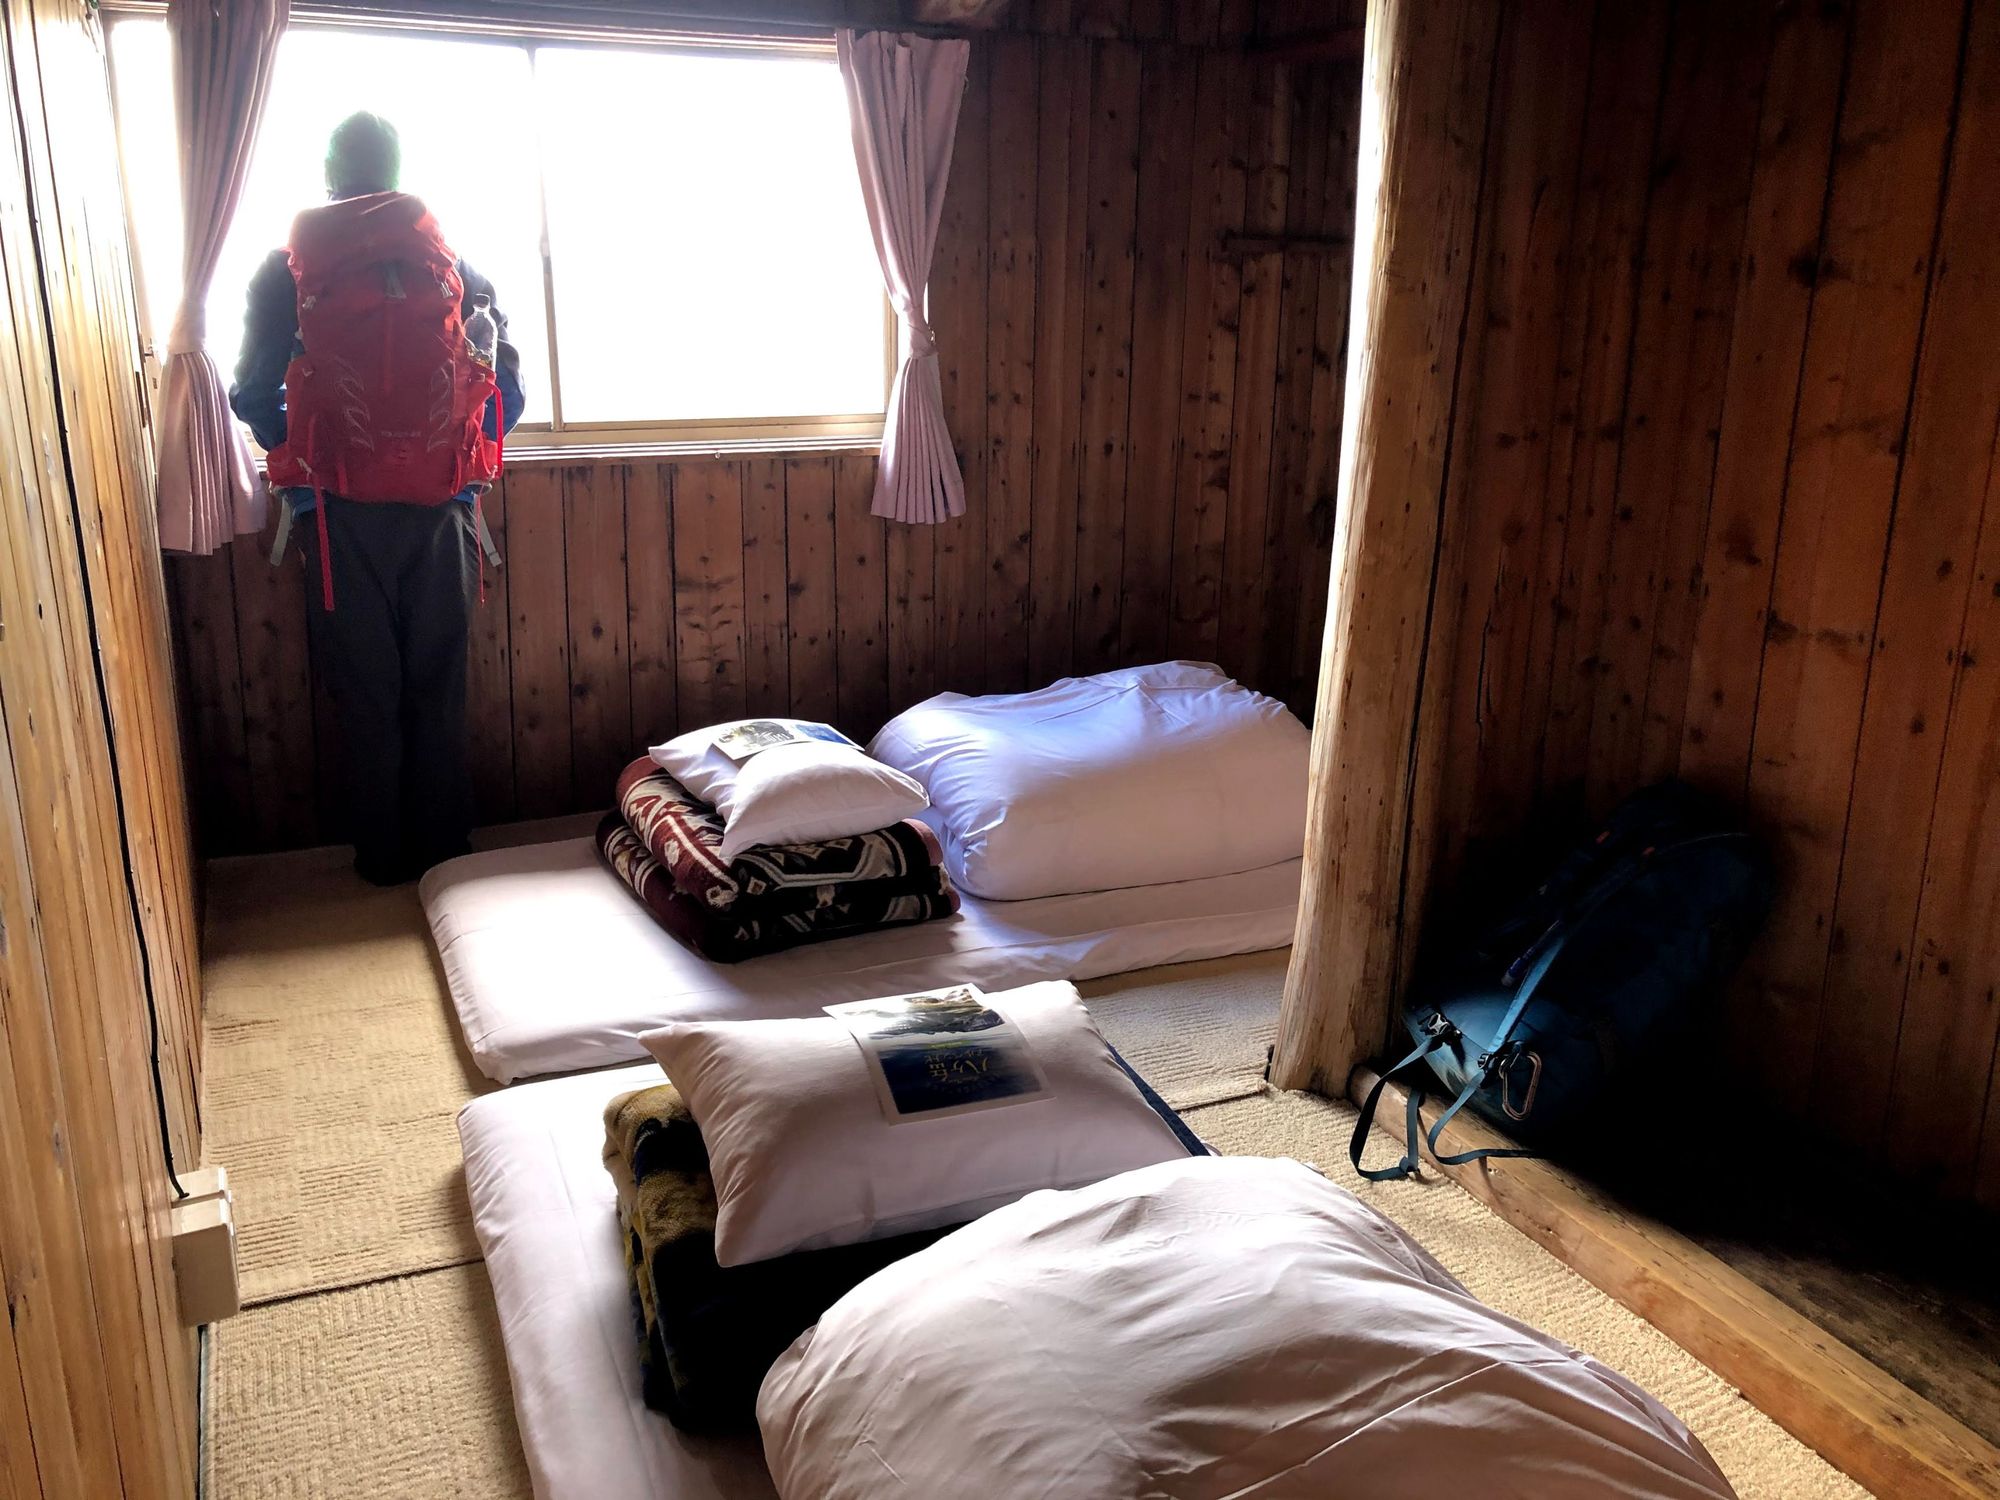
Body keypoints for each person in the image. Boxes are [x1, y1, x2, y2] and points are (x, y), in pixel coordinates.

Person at [232, 112, 525, 886]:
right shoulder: (456, 267)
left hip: (336, 518)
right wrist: (447, 456)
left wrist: (304, 450)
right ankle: (444, 858)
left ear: (331, 174)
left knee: (366, 691)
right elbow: (509, 396)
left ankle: (382, 864)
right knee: (438, 684)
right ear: (396, 175)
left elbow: (250, 392)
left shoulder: (286, 271)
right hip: (443, 511)